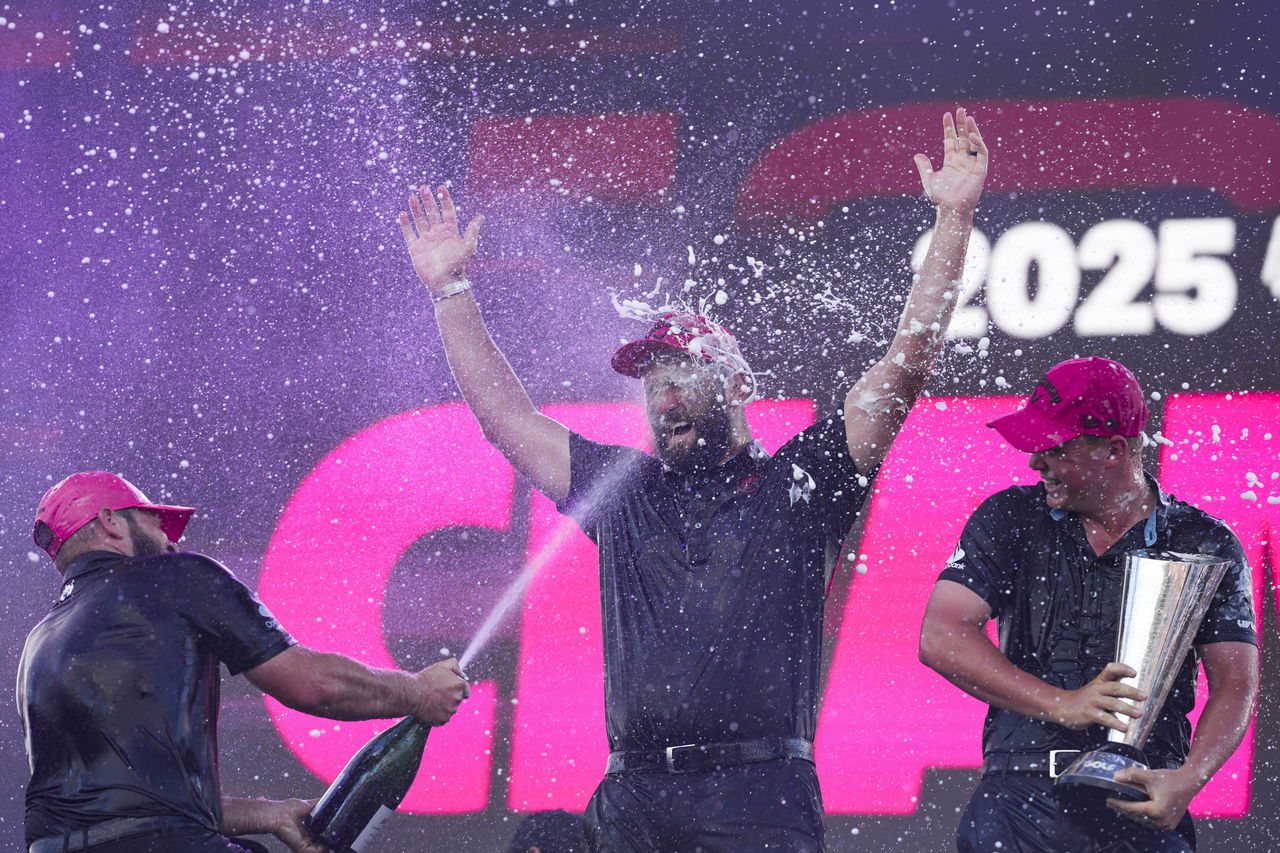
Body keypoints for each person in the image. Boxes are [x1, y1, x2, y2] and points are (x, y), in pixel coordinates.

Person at [399, 108, 988, 851]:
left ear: (736, 384)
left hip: (759, 796)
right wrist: (449, 290)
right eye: (652, 385)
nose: (663, 399)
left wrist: (954, 218)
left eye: (680, 377)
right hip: (633, 796)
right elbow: (506, 420)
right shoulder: (626, 491)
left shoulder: (801, 483)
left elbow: (905, 364)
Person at [20, 471, 471, 853]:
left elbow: (119, 806)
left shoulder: (38, 643)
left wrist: (268, 814)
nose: (171, 543)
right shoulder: (175, 575)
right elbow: (311, 685)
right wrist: (420, 693)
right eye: (157, 525)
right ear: (110, 521)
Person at [919, 357, 1259, 852]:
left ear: (1114, 450)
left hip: (1139, 796)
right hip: (1018, 795)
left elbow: (1235, 683)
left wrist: (1190, 779)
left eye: (1054, 448)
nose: (1036, 463)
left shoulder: (1203, 541)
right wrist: (1062, 703)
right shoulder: (1011, 516)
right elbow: (941, 635)